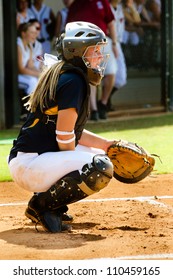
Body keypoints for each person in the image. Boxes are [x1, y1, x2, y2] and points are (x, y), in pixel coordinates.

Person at [8, 21, 116, 233]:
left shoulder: (68, 75)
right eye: (95, 51)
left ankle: (49, 203)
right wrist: (77, 165)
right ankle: (43, 206)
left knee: (99, 156)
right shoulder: (74, 80)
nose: (100, 57)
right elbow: (65, 136)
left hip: (30, 160)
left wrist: (106, 145)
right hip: (31, 164)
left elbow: (71, 132)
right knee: (98, 167)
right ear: (78, 53)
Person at [67, 0, 118, 120]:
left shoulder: (102, 2)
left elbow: (111, 22)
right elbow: (70, 28)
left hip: (103, 41)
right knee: (91, 75)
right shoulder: (76, 4)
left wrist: (115, 43)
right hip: (86, 45)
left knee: (111, 73)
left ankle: (103, 103)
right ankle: (94, 109)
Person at [108, 0, 127, 110]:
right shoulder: (106, 6)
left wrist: (130, 6)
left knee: (121, 78)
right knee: (107, 74)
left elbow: (136, 19)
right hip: (108, 42)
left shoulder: (121, 8)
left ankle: (105, 99)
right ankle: (104, 102)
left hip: (117, 43)